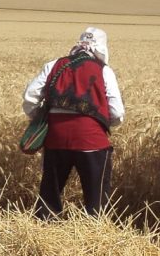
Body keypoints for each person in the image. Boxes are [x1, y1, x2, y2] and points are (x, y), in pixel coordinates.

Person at [23, 27, 124, 219]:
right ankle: (95, 232)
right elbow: (117, 112)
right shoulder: (104, 70)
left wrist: (41, 118)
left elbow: (30, 97)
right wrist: (101, 124)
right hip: (91, 140)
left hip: (56, 138)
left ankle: (44, 228)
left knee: (49, 195)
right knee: (97, 198)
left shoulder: (54, 65)